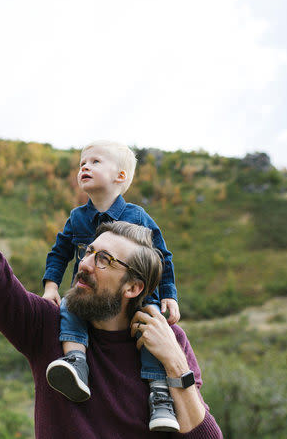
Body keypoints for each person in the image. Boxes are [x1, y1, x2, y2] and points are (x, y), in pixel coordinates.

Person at [0, 79, 223, 439]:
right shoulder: (48, 327)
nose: (85, 264)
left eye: (104, 259)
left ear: (134, 286)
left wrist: (175, 363)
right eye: (88, 252)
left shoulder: (168, 339)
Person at [42, 139, 182, 431]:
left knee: (152, 325)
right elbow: (60, 252)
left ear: (120, 176)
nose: (85, 167)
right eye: (82, 163)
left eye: (95, 162)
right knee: (70, 305)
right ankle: (76, 362)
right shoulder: (78, 218)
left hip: (140, 297)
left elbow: (163, 257)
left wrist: (169, 295)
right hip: (90, 296)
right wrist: (51, 285)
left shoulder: (139, 217)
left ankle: (160, 396)